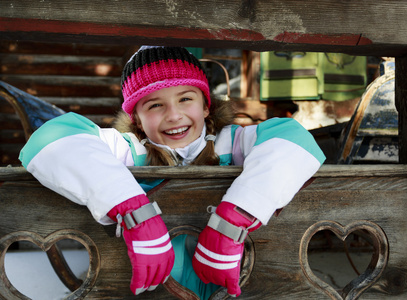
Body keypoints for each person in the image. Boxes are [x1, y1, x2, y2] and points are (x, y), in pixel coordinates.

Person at [19, 46, 326, 298]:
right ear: (137, 119)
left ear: (206, 106)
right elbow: (51, 139)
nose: (174, 115)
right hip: (146, 290)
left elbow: (294, 139)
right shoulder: (128, 149)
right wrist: (135, 214)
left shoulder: (233, 142)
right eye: (154, 105)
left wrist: (233, 222)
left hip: (235, 287)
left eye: (185, 99)